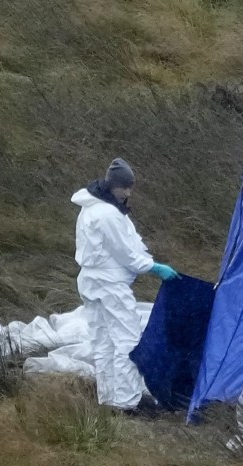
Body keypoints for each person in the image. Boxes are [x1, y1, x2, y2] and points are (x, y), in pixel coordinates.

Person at [72, 158, 179, 412]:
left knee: (104, 341)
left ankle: (108, 399)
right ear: (113, 185)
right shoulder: (106, 214)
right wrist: (153, 267)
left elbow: (128, 243)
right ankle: (128, 402)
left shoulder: (95, 207)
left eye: (131, 187)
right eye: (125, 188)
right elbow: (125, 252)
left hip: (92, 281)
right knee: (127, 340)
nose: (128, 193)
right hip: (109, 283)